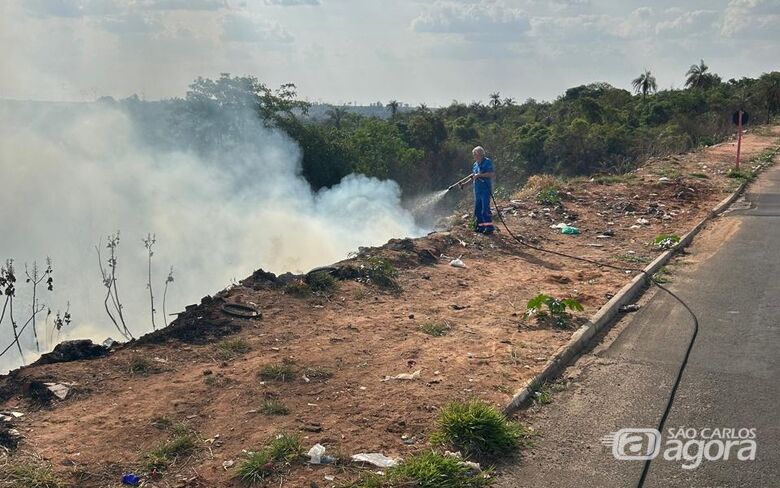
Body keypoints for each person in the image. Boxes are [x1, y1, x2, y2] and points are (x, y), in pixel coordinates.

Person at [469, 146, 495, 234]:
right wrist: (464, 184)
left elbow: (491, 174)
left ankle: (489, 227)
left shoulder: (487, 162)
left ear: (480, 154)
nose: (474, 157)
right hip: (477, 190)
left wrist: (480, 175)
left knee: (485, 210)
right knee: (478, 210)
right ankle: (480, 226)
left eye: (475, 155)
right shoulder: (475, 164)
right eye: (474, 155)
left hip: (485, 189)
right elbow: (473, 176)